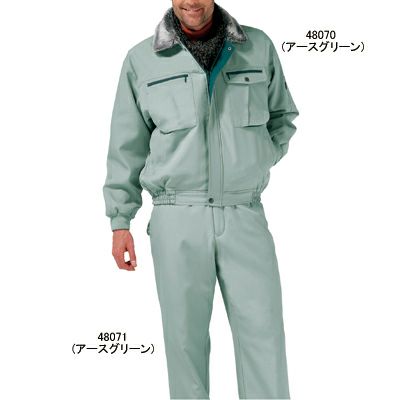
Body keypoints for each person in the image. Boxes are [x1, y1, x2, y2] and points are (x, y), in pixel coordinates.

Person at [103, 1, 299, 398]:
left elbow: (282, 117)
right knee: (184, 342)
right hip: (177, 215)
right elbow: (126, 145)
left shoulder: (257, 47)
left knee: (264, 335)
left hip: (244, 212)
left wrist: (258, 158)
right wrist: (120, 220)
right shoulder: (142, 60)